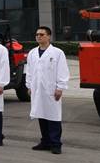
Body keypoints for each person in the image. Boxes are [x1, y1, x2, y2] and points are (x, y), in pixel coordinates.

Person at [26, 26, 69, 154]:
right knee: (41, 114)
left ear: (49, 36)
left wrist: (60, 87)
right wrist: (29, 86)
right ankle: (45, 141)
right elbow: (29, 71)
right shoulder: (32, 53)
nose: (39, 36)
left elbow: (62, 71)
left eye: (42, 34)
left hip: (51, 90)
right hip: (37, 89)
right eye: (37, 34)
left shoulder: (57, 53)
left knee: (53, 117)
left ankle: (56, 144)